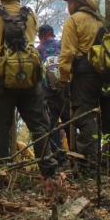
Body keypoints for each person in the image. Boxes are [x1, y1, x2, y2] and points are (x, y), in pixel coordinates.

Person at [0, 0, 57, 179]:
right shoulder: (31, 15)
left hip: (0, 80)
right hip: (29, 78)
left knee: (0, 127)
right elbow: (32, 38)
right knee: (39, 125)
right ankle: (49, 174)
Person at [59, 0, 110, 176]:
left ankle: (89, 168)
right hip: (107, 77)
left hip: (83, 78)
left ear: (75, 2)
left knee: (85, 118)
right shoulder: (103, 21)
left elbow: (67, 54)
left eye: (69, 2)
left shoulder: (73, 21)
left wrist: (63, 80)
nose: (68, 6)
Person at [37, 25, 68, 160]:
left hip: (47, 95)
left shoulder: (37, 51)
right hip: (65, 92)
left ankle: (58, 159)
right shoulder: (62, 46)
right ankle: (77, 157)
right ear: (51, 33)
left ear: (40, 36)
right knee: (71, 124)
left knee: (52, 127)